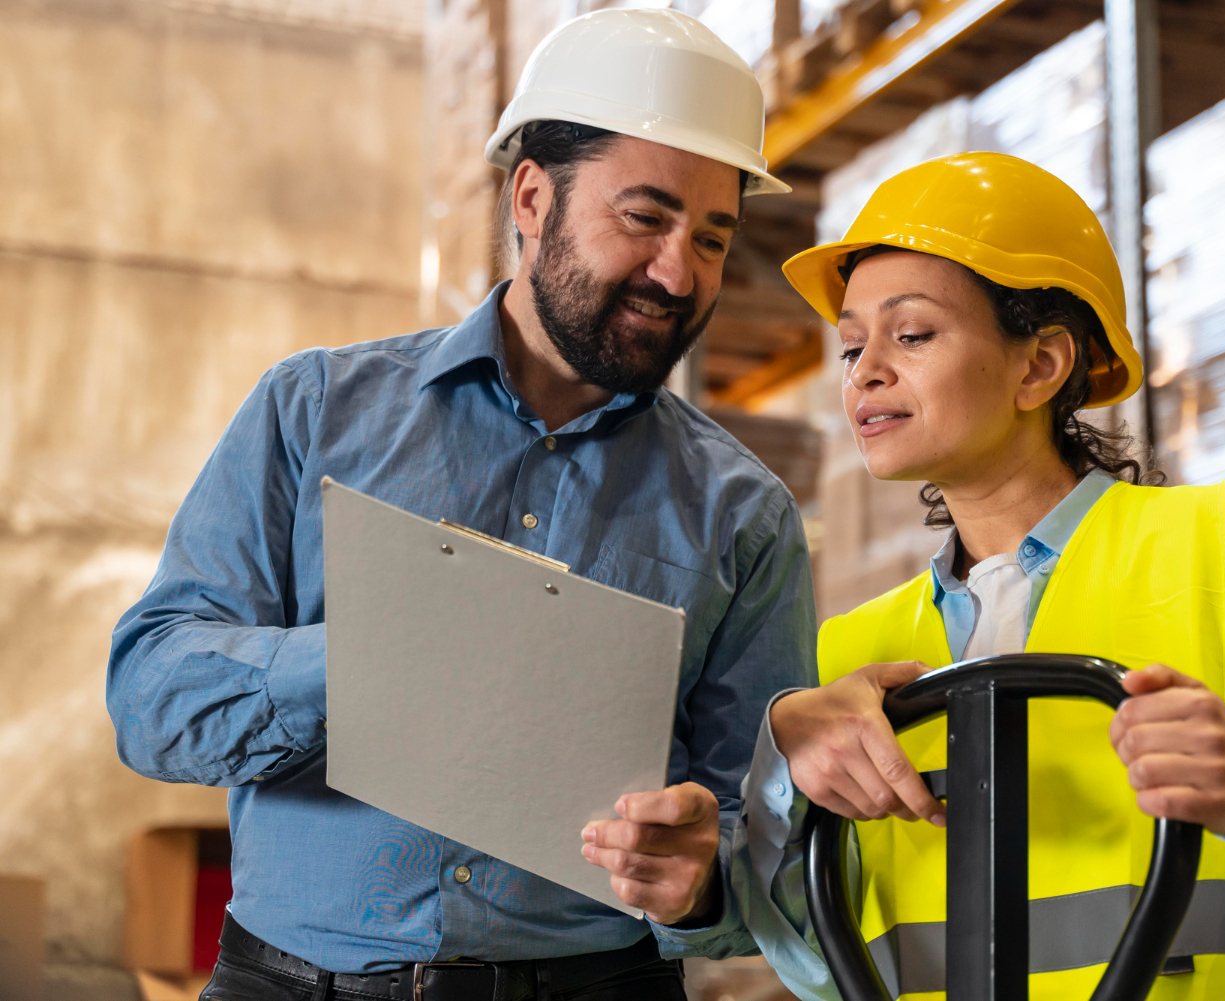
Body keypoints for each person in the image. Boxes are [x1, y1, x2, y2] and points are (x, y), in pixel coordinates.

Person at [106, 10, 814, 1001]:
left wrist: (704, 884)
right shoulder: (312, 412)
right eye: (646, 217)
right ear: (533, 197)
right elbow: (150, 702)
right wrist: (370, 661)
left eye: (712, 236)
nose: (678, 273)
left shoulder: (745, 513)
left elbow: (772, 842)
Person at [731, 152, 1225, 1000]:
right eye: (853, 345)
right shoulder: (853, 653)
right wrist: (777, 771)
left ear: (1040, 365)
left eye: (912, 334)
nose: (865, 371)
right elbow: (816, 968)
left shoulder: (1223, 543)